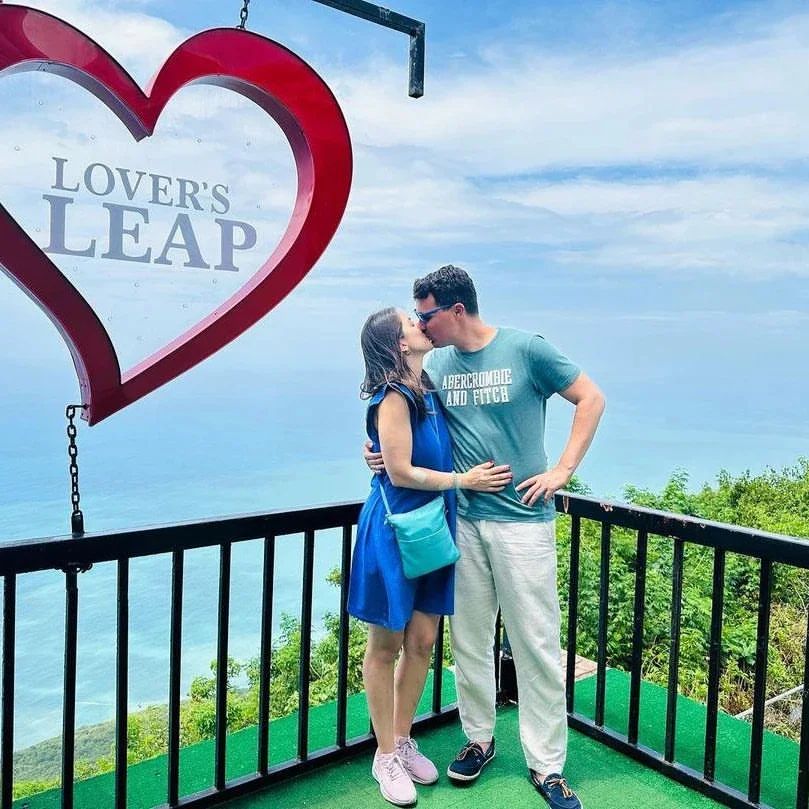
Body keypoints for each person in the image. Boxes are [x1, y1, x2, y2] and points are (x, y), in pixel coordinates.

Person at [364, 268, 605, 809]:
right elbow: (396, 417)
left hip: (523, 523)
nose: (421, 325)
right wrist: (374, 450)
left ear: (453, 310)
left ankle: (547, 765)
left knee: (537, 645)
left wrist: (563, 471)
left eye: (424, 314)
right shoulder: (434, 368)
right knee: (470, 642)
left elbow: (590, 399)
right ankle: (479, 739)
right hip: (462, 524)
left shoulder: (527, 350)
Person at [349, 307, 513, 807]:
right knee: (385, 645)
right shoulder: (395, 397)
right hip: (397, 530)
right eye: (411, 323)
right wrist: (464, 482)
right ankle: (383, 756)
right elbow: (399, 473)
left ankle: (402, 739)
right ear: (399, 344)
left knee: (421, 640)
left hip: (433, 531)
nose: (422, 325)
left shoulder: (427, 390)